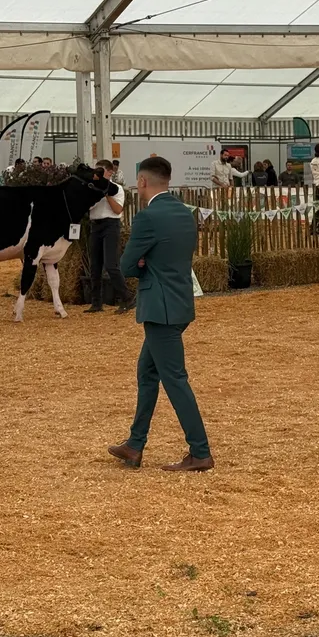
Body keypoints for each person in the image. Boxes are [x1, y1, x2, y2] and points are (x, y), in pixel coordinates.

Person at [109, 156, 213, 472]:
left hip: (159, 307)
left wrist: (143, 265)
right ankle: (134, 445)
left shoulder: (147, 218)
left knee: (174, 378)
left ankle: (200, 451)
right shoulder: (185, 213)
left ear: (142, 181)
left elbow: (125, 265)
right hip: (180, 303)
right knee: (148, 372)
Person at [85, 159, 135, 315]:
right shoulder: (92, 188)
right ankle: (96, 302)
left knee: (111, 264)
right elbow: (88, 208)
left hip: (110, 225)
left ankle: (127, 297)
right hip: (95, 225)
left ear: (109, 172)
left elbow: (117, 210)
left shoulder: (117, 189)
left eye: (101, 171)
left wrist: (106, 194)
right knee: (95, 266)